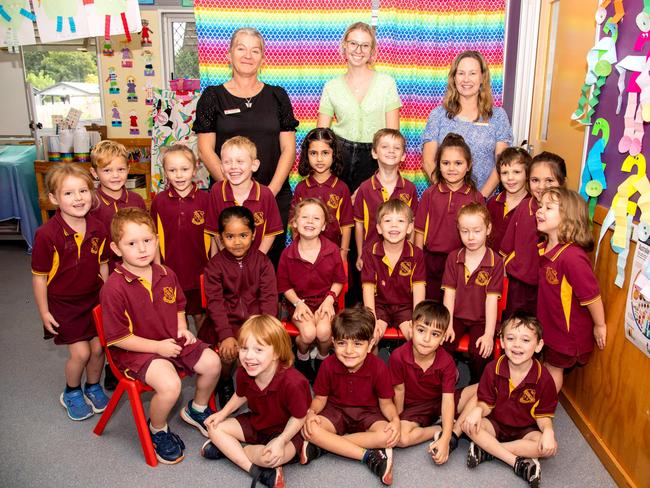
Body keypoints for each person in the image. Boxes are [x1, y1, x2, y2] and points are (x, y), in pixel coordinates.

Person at [100, 208, 221, 464]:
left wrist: (180, 327)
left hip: (169, 339)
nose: (142, 248)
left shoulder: (167, 274)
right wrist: (157, 347)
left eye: (147, 241)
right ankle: (158, 429)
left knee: (213, 362)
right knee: (170, 386)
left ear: (156, 240)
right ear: (117, 248)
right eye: (132, 243)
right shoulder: (114, 287)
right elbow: (119, 338)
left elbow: (178, 304)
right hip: (136, 351)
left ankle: (196, 409)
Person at [193, 27, 298, 263]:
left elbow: (289, 149)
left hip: (273, 194)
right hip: (227, 195)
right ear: (229, 54)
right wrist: (234, 190)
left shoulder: (278, 96)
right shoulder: (212, 97)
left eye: (255, 50)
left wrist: (267, 194)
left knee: (268, 266)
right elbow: (205, 149)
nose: (248, 55)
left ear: (263, 58)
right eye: (241, 48)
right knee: (228, 265)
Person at [32, 164, 110, 421]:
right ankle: (72, 391)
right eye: (68, 193)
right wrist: (44, 312)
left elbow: (103, 263)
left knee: (98, 350)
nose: (78, 198)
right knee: (81, 353)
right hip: (63, 304)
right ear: (54, 198)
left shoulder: (99, 227)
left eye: (83, 190)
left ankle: (93, 385)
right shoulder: (46, 234)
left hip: (94, 299)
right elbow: (40, 277)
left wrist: (108, 298)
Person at [201, 315, 311, 488]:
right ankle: (252, 468)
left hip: (287, 432)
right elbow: (240, 395)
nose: (248, 357)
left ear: (276, 353)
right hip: (256, 422)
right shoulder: (245, 371)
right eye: (244, 348)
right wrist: (222, 414)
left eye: (258, 350)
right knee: (213, 427)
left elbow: (299, 418)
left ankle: (231, 450)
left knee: (271, 458)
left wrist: (281, 440)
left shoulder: (294, 382)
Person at [300, 305, 399, 486]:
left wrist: (395, 420)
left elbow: (386, 404)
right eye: (342, 343)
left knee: (388, 435)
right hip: (335, 412)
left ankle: (326, 446)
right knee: (310, 428)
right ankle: (367, 456)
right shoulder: (328, 365)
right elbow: (320, 399)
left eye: (358, 344)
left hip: (368, 414)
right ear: (333, 342)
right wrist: (311, 413)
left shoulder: (379, 367)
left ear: (370, 345)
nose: (349, 350)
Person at [461, 314, 558, 488]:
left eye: (526, 340)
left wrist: (549, 431)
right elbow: (486, 403)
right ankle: (516, 462)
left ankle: (488, 451)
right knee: (469, 425)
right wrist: (478, 410)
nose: (517, 345)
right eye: (511, 338)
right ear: (502, 342)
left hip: (525, 430)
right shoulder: (492, 369)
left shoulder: (544, 379)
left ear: (538, 346)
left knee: (545, 446)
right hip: (495, 424)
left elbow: (543, 416)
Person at [200, 206, 278, 408]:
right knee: (228, 352)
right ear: (220, 237)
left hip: (255, 320)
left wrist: (264, 327)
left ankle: (260, 384)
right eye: (230, 236)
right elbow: (215, 303)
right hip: (225, 322)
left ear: (253, 235)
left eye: (243, 235)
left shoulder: (263, 262)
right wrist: (225, 334)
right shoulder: (214, 266)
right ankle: (225, 381)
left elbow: (269, 298)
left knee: (265, 347)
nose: (237, 242)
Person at [536, 188, 607, 392]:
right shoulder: (543, 247)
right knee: (547, 366)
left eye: (548, 207)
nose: (540, 211)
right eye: (540, 206)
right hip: (549, 326)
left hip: (566, 334)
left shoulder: (572, 257)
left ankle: (544, 409)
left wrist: (599, 325)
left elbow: (592, 296)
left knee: (553, 369)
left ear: (567, 218)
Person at [317, 22, 402, 193]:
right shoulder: (331, 86)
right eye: (353, 44)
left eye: (365, 45)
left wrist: (385, 171)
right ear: (344, 47)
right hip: (339, 156)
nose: (358, 50)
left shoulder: (387, 84)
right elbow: (321, 135)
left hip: (376, 157)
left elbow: (393, 136)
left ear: (372, 51)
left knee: (371, 213)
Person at [389, 300, 472, 463]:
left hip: (440, 403)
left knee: (481, 390)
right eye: (421, 330)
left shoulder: (447, 361)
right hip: (414, 409)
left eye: (435, 334)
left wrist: (446, 440)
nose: (426, 339)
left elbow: (448, 401)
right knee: (401, 439)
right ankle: (438, 428)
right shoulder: (398, 356)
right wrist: (397, 420)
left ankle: (451, 431)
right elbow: (398, 391)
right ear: (411, 329)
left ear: (442, 339)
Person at [421, 50, 512, 197]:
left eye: (472, 73)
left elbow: (501, 163)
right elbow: (428, 161)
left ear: (482, 77)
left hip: (484, 201)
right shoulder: (438, 115)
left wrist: (479, 199)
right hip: (447, 200)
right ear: (454, 78)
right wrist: (447, 194)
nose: (466, 79)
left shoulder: (498, 116)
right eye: (461, 73)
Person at [277, 198, 346, 381]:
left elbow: (339, 280)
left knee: (323, 332)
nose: (310, 222)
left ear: (324, 226)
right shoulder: (287, 254)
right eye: (305, 217)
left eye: (316, 218)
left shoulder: (332, 250)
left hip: (325, 301)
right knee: (307, 334)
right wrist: (298, 303)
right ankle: (303, 358)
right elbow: (284, 286)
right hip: (299, 303)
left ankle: (323, 359)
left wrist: (330, 299)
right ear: (295, 223)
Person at [414, 133, 484, 301]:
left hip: (462, 260)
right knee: (431, 305)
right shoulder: (429, 194)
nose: (452, 168)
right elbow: (419, 230)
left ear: (469, 165)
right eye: (446, 163)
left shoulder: (476, 197)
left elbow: (481, 234)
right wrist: (418, 260)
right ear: (438, 165)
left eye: (458, 163)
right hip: (431, 261)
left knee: (455, 305)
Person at [441, 203, 504, 383]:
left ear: (488, 229)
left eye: (477, 231)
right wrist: (449, 324)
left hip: (482, 319)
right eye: (465, 231)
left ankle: (476, 385)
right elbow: (449, 295)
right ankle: (448, 375)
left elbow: (492, 301)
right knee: (444, 341)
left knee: (481, 351)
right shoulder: (454, 258)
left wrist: (489, 334)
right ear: (458, 230)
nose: (471, 237)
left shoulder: (496, 262)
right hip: (457, 316)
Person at [150, 144, 210, 333]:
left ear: (195, 169)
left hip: (200, 272)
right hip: (170, 273)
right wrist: (158, 269)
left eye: (184, 169)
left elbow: (214, 237)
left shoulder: (206, 200)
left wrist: (213, 267)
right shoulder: (159, 201)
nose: (179, 175)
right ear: (165, 173)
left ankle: (202, 351)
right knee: (175, 317)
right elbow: (154, 237)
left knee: (201, 315)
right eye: (172, 170)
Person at [499, 152, 566, 318]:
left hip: (547, 286)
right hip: (518, 284)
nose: (541, 187)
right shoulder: (524, 207)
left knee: (539, 329)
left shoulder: (565, 213)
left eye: (549, 181)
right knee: (513, 327)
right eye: (535, 180)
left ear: (562, 182)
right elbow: (507, 245)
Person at [204, 136, 283, 256]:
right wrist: (225, 258)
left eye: (240, 161)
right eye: (227, 162)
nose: (233, 166)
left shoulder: (266, 194)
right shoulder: (216, 191)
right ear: (221, 167)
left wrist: (257, 259)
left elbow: (271, 233)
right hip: (226, 262)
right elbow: (214, 230)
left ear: (254, 165)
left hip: (257, 263)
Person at [361, 200, 425, 342]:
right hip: (379, 306)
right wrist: (372, 320)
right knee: (372, 336)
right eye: (388, 220)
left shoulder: (417, 254)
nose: (394, 225)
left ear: (409, 228)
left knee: (415, 336)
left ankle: (408, 363)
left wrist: (417, 320)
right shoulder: (369, 252)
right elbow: (368, 289)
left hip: (405, 307)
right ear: (378, 228)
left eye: (400, 221)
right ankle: (374, 363)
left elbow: (419, 290)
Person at [354, 129, 418, 265]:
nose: (391, 151)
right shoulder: (365, 188)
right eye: (385, 147)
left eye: (396, 148)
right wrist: (360, 253)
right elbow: (359, 224)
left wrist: (411, 253)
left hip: (401, 257)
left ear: (403, 156)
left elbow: (412, 224)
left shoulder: (410, 188)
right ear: (374, 153)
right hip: (370, 256)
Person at [291, 127, 353, 260]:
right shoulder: (301, 188)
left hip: (334, 255)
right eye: (313, 153)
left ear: (334, 154)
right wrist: (298, 251)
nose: (319, 159)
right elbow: (294, 223)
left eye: (325, 153)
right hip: (305, 254)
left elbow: (346, 225)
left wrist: (343, 253)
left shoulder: (342, 188)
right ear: (306, 155)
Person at [89, 140, 147, 273]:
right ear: (94, 172)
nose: (115, 175)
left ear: (128, 169)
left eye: (120, 169)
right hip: (102, 269)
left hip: (136, 267)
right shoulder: (91, 203)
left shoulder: (136, 200)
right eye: (107, 170)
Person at [486, 147, 531, 252]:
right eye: (505, 173)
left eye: (516, 172)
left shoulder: (532, 206)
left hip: (517, 266)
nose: (510, 178)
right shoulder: (492, 203)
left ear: (527, 174)